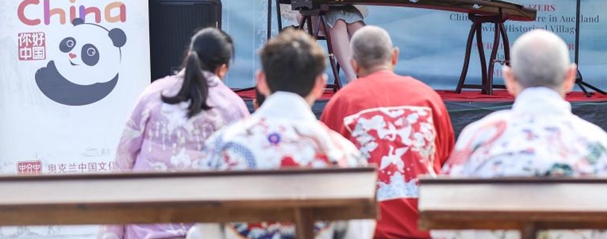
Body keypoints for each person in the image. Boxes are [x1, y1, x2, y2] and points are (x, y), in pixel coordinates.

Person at [189, 28, 375, 239]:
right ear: (320, 85)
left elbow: (205, 233)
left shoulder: (221, 147)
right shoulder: (345, 156)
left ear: (261, 80)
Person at [437, 29, 607, 239]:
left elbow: (443, 220)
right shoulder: (597, 143)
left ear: (509, 78)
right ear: (570, 76)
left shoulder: (478, 137)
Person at [99, 28, 250, 239]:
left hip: (144, 227)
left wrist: (112, 231)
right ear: (223, 69)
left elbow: (124, 159)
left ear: (188, 55)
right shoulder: (232, 106)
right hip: (207, 230)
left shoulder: (153, 94)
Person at [320, 26, 455, 239]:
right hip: (428, 228)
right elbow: (447, 164)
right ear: (394, 56)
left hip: (368, 232)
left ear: (354, 64)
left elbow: (328, 176)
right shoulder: (428, 98)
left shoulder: (340, 103)